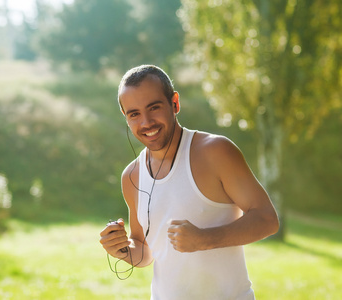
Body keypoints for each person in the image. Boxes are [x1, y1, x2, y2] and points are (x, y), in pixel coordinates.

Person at [100, 65, 279, 299]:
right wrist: (122, 249)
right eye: (134, 114)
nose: (146, 123)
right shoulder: (131, 176)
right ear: (126, 117)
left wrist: (204, 239)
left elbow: (267, 219)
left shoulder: (216, 152)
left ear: (175, 103)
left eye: (154, 108)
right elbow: (144, 250)